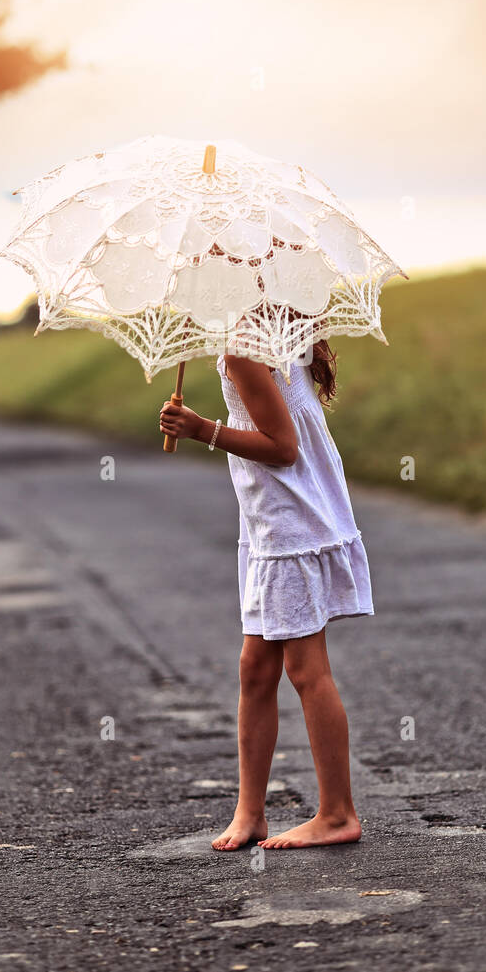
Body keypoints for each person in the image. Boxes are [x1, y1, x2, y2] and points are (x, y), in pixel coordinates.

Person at [159, 339, 373, 850]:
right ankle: (250, 812)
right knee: (255, 669)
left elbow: (282, 447)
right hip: (271, 525)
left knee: (306, 670)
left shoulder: (243, 351)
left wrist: (199, 429)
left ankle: (338, 813)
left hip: (289, 525)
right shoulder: (269, 339)